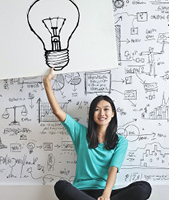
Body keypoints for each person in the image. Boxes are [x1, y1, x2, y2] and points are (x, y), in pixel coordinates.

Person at [43, 68, 152, 200]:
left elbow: (113, 168)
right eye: (97, 109)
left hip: (107, 193)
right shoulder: (80, 132)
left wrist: (106, 194)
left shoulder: (120, 141)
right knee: (61, 186)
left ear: (112, 114)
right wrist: (47, 82)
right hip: (81, 193)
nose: (102, 113)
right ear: (92, 114)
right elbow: (58, 112)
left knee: (144, 188)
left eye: (106, 109)